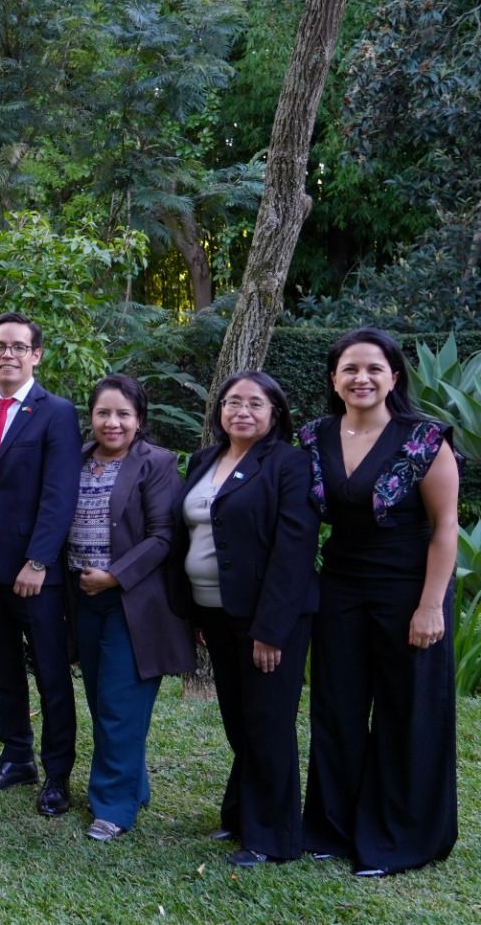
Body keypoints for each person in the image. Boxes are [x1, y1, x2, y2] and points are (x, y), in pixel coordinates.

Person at [300, 329, 461, 876]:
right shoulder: (313, 435)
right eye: (350, 369)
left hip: (408, 589)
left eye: (374, 368)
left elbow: (445, 528)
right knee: (336, 708)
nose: (361, 378)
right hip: (341, 586)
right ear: (334, 380)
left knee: (405, 712)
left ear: (394, 377)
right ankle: (332, 827)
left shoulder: (424, 439)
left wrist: (431, 605)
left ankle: (401, 837)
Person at [170, 370, 318, 867]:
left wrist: (271, 629)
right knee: (239, 720)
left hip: (267, 619)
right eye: (233, 402)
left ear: (274, 412)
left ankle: (272, 838)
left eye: (255, 403)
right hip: (213, 612)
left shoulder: (290, 465)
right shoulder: (206, 459)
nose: (242, 411)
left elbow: (293, 551)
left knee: (267, 723)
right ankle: (239, 816)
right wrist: (191, 612)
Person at [0, 312, 82, 816]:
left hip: (35, 573)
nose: (6, 354)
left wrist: (38, 561)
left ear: (36, 354)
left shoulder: (55, 412)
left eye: (17, 346)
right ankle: (17, 757)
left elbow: (60, 493)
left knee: (51, 675)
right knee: (4, 671)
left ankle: (57, 774)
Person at [66, 375, 192, 841]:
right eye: (103, 413)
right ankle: (132, 786)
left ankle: (114, 808)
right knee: (102, 700)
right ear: (91, 416)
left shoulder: (156, 464)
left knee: (121, 703)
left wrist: (115, 575)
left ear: (139, 419)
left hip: (132, 602)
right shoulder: (76, 458)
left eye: (123, 414)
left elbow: (165, 536)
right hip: (81, 598)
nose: (112, 422)